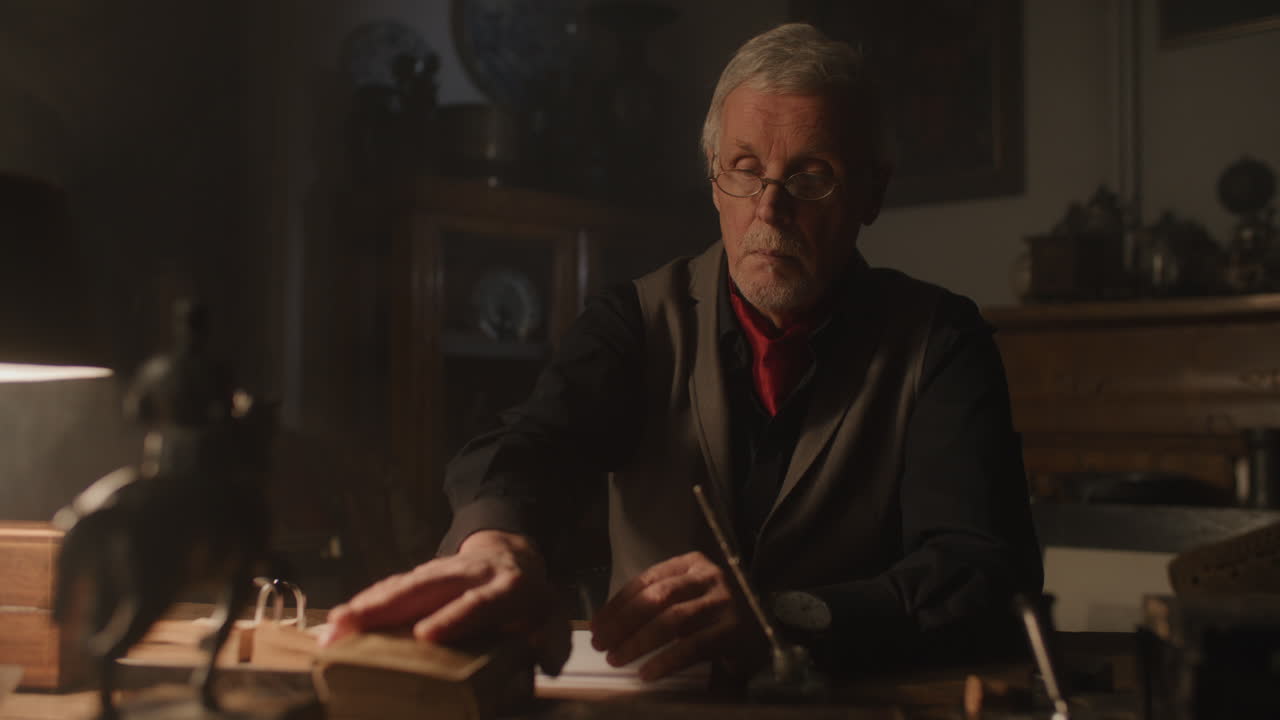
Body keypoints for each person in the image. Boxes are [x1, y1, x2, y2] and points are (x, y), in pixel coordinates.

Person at [321, 22, 1043, 682]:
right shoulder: (632, 321)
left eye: (811, 175)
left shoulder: (940, 341)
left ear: (872, 192)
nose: (771, 207)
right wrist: (495, 541)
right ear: (713, 181)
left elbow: (981, 573)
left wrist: (779, 614)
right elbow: (534, 442)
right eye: (744, 167)